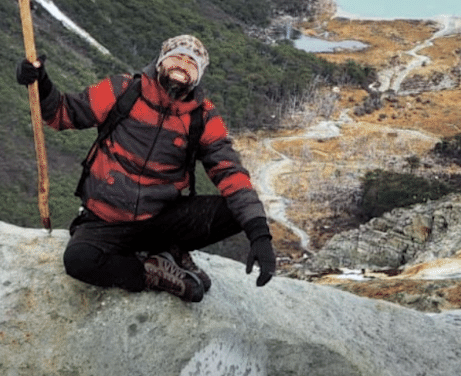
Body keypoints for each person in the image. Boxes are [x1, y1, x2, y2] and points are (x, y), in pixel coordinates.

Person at [16, 35, 276, 302]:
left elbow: (231, 173)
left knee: (237, 213)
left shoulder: (203, 117)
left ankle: (168, 249)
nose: (183, 64)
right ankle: (151, 271)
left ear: (198, 76)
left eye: (191, 62)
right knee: (79, 261)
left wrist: (259, 236)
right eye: (177, 57)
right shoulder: (123, 90)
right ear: (161, 61)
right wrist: (40, 82)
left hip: (161, 219)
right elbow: (63, 113)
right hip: (106, 218)